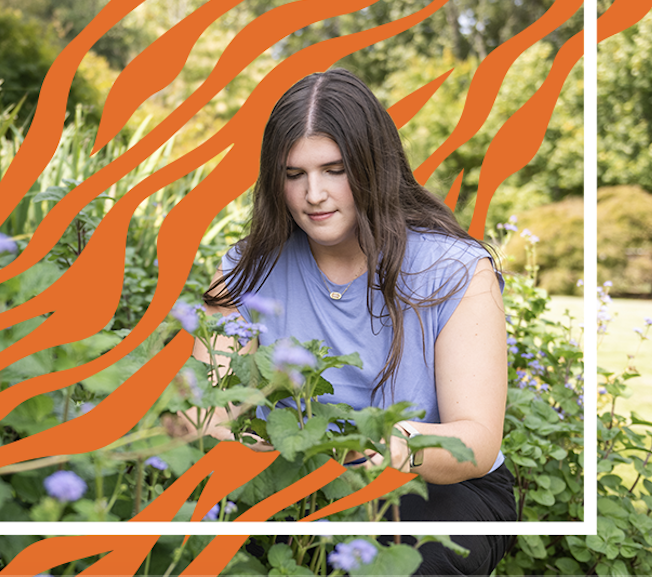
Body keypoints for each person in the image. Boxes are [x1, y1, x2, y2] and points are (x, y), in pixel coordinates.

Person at [195, 68, 511, 574]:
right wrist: (262, 456)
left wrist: (365, 449)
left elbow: (474, 442)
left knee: (403, 564)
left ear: (372, 166)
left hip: (435, 483)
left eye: (334, 170)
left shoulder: (455, 269)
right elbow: (210, 412)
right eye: (293, 174)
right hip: (288, 473)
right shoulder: (246, 268)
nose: (313, 194)